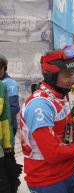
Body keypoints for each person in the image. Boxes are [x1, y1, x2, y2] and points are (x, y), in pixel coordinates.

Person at [19, 45, 74, 193]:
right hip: (47, 180)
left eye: (73, 74)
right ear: (50, 75)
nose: (72, 80)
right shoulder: (40, 105)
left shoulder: (60, 96)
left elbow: (66, 133)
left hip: (68, 171)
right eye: (67, 75)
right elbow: (53, 154)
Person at [0, 53, 22, 193]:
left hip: (9, 126)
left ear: (4, 68)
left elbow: (13, 107)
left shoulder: (9, 83)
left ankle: (12, 183)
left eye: (0, 67)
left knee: (8, 158)